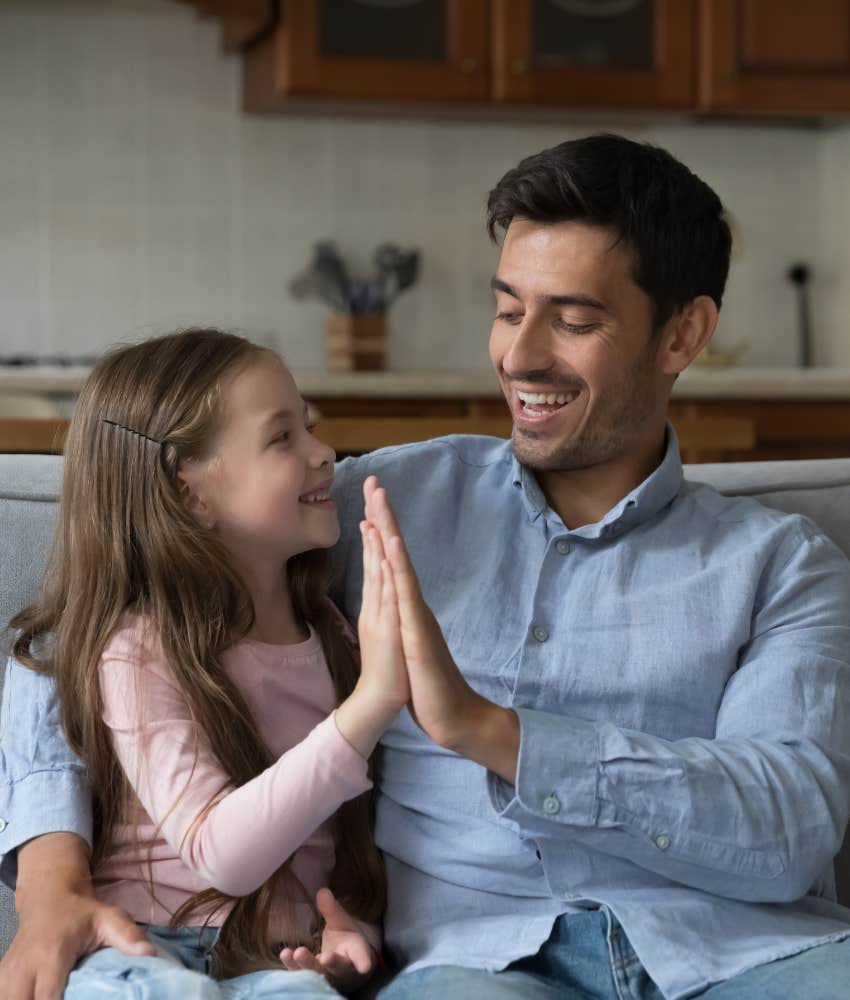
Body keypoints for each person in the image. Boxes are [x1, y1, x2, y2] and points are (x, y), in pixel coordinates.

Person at [3, 133, 850, 1000]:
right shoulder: (375, 504)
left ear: (683, 334)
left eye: (575, 319)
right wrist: (51, 879)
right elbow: (85, 622)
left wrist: (491, 733)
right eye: (510, 309)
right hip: (477, 962)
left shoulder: (782, 566)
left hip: (743, 953)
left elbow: (793, 826)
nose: (521, 357)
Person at [2, 328, 412, 997]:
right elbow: (220, 854)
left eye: (307, 426)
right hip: (142, 941)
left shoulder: (335, 635)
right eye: (283, 438)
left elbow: (339, 846)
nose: (324, 453)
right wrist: (368, 708)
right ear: (188, 490)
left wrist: (352, 934)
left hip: (279, 956)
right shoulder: (137, 647)